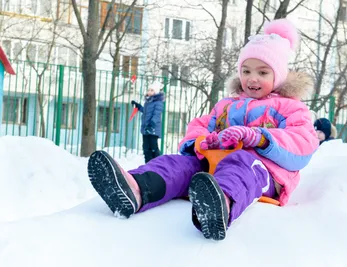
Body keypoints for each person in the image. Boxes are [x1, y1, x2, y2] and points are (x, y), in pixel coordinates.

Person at [87, 19, 319, 241]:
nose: (252, 79)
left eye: (262, 72)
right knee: (179, 164)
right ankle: (136, 189)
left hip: (263, 174)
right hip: (213, 166)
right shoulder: (228, 105)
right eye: (246, 71)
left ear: (278, 75)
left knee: (242, 163)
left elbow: (303, 143)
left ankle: (220, 206)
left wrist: (260, 138)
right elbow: (201, 124)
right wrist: (200, 140)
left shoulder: (290, 107)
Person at [131, 81, 165, 163]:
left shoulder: (158, 103)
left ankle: (157, 164)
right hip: (146, 128)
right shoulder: (147, 102)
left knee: (153, 147)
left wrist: (152, 124)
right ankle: (148, 164)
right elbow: (146, 112)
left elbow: (156, 115)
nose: (149, 92)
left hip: (153, 129)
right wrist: (138, 106)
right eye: (149, 90)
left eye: (152, 90)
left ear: (156, 92)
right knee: (146, 148)